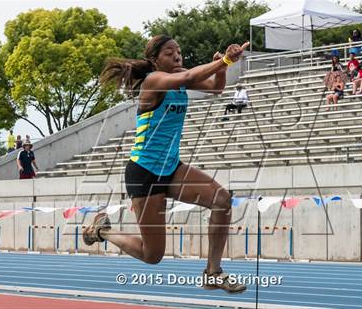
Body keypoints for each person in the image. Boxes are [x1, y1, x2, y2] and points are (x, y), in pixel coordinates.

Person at [82, 35, 248, 293]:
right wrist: (225, 59)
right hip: (145, 173)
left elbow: (216, 89)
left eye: (178, 51)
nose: (177, 55)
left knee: (221, 200)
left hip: (171, 168)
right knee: (152, 255)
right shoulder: (154, 81)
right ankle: (102, 232)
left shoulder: (182, 75)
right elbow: (188, 79)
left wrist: (223, 67)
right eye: (169, 52)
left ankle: (213, 272)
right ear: (155, 60)